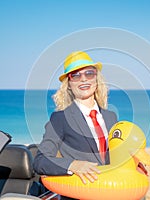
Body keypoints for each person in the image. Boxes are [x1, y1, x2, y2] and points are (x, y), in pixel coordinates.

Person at [33, 51, 118, 198]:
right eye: (76, 75)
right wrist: (72, 165)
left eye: (89, 73)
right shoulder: (60, 119)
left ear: (96, 80)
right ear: (69, 85)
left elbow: (117, 154)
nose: (83, 79)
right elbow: (41, 161)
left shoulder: (111, 117)